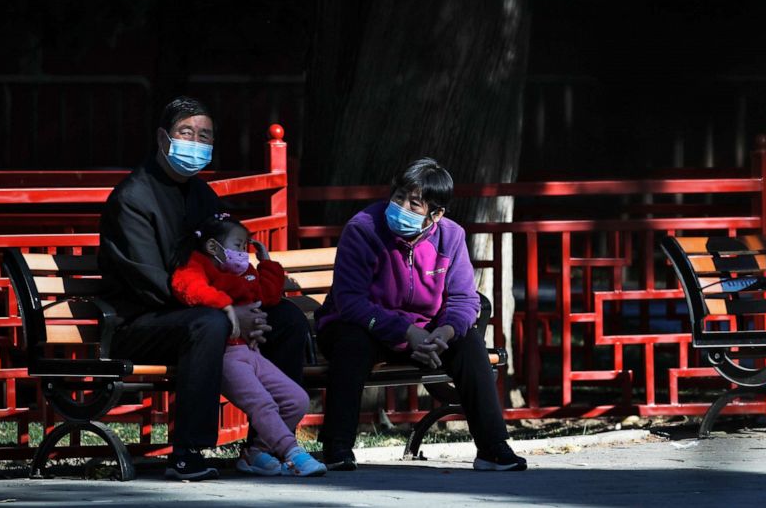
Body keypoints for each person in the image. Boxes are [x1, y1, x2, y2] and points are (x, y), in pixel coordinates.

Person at [98, 95, 310, 481]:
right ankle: (187, 452)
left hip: (204, 309)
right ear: (164, 139)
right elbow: (149, 282)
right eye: (186, 133)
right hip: (141, 320)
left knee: (286, 319)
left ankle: (263, 445)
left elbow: (224, 262)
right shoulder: (132, 198)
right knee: (209, 326)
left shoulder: (202, 194)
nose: (195, 143)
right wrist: (229, 313)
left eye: (204, 136)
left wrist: (245, 308)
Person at [314, 158, 527, 472]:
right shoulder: (363, 228)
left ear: (436, 214)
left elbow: (465, 299)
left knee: (469, 342)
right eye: (399, 196)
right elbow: (350, 301)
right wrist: (405, 331)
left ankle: (493, 448)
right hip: (364, 325)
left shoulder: (451, 236)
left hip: (427, 333)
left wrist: (445, 333)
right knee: (352, 343)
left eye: (414, 204)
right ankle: (337, 447)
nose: (401, 207)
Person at [170, 213, 325, 477]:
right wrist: (225, 306)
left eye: (245, 247)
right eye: (238, 246)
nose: (243, 253)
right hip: (225, 355)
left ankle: (257, 452)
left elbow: (268, 296)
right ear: (212, 247)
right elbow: (186, 287)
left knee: (296, 399)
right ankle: (292, 452)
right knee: (263, 404)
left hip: (251, 352)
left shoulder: (243, 272)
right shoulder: (197, 265)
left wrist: (266, 263)